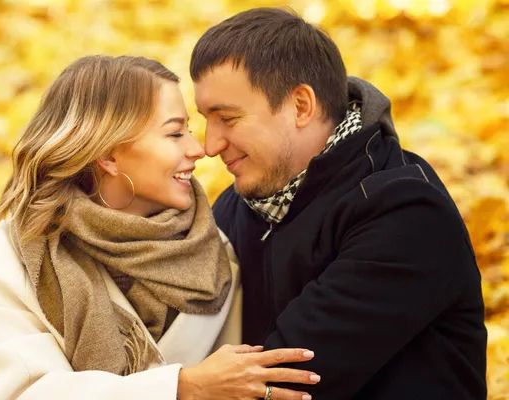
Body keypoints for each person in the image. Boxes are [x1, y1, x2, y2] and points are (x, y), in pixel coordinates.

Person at [0, 55, 321, 400]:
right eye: (174, 133)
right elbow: (17, 393)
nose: (198, 148)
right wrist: (181, 388)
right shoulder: (6, 265)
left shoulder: (215, 255)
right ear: (108, 157)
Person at [191, 7, 487, 400]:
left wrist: (180, 386)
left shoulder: (405, 212)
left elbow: (281, 382)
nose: (210, 146)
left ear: (300, 106)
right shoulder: (240, 205)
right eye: (204, 120)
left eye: (227, 118)